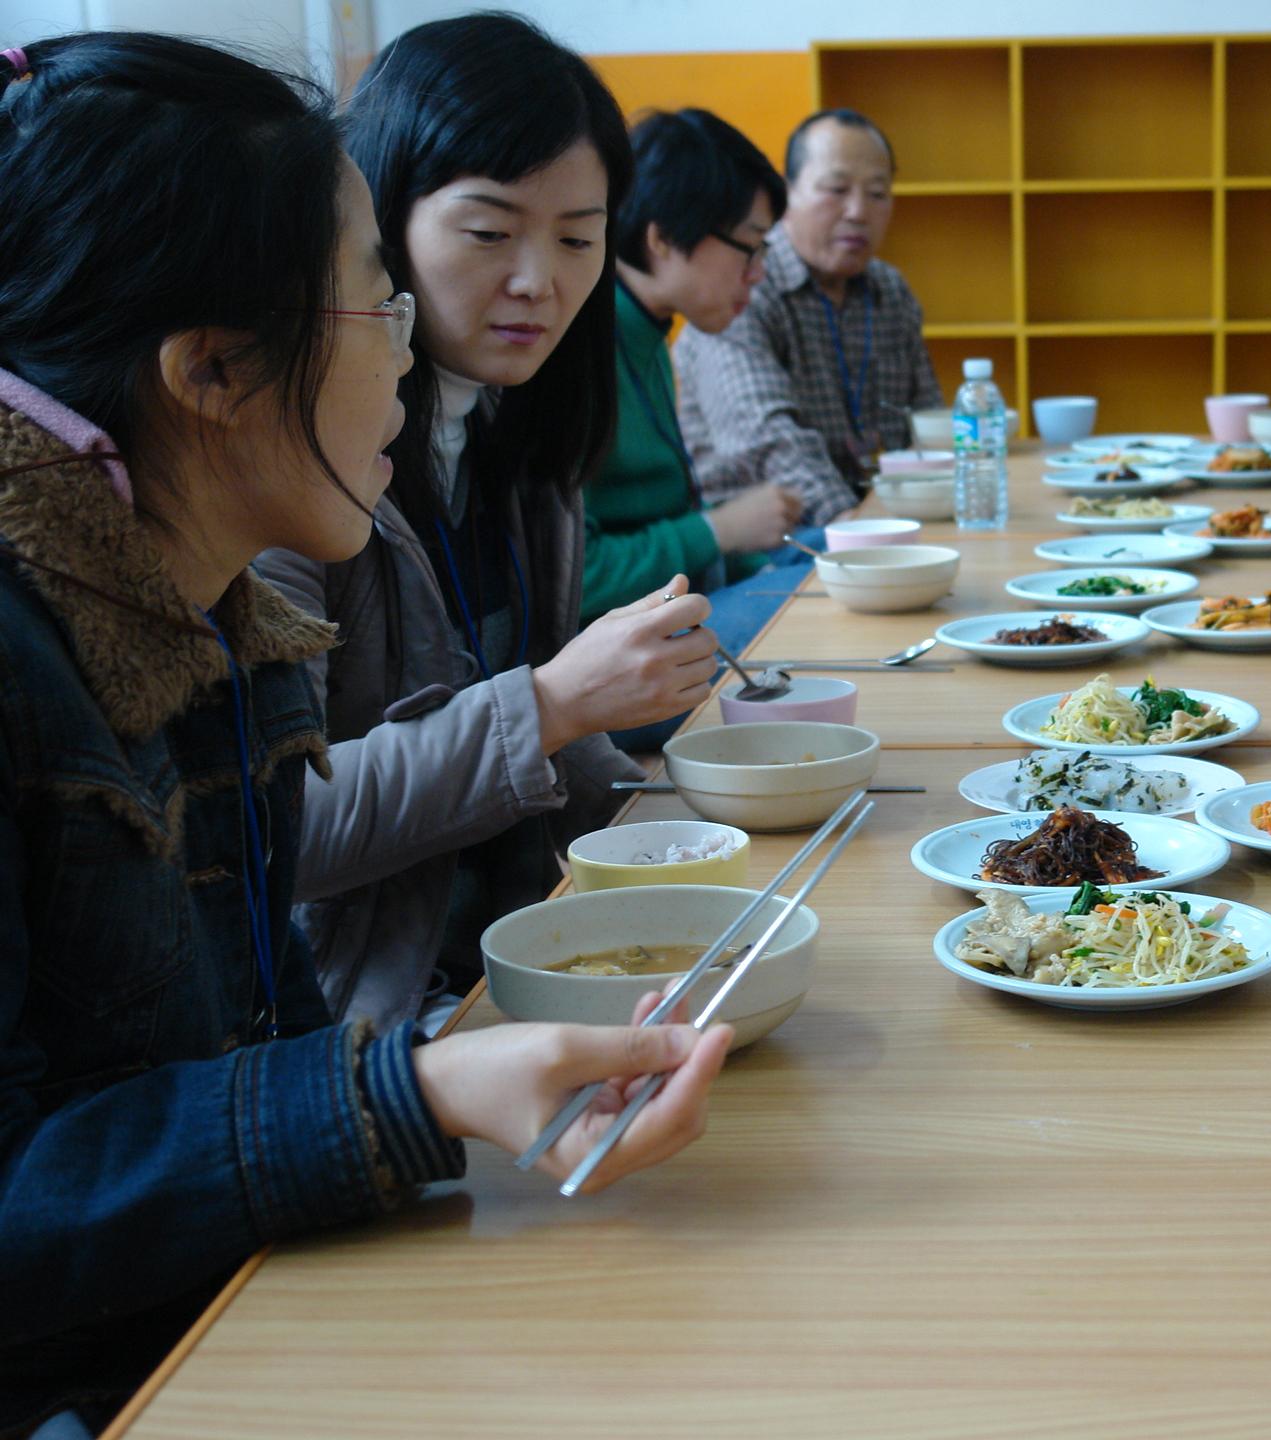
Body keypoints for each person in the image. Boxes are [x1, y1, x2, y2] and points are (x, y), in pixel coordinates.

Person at [0, 35, 729, 1435]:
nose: (407, 354)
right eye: (376, 299)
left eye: (576, 236)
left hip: (240, 1298)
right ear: (214, 369)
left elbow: (260, 1036)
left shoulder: (211, 602)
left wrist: (422, 1092)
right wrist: (414, 1091)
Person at [257, 13, 717, 1027]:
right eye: (488, 232)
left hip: (525, 950)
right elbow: (279, 830)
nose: (537, 281)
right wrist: (553, 702)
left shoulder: (518, 443)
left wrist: (683, 821)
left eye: (577, 240)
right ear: (376, 218)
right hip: (366, 1024)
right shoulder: (288, 468)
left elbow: (541, 718)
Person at [585, 108, 804, 636]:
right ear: (662, 237)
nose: (758, 273)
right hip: (618, 636)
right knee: (828, 601)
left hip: (679, 593)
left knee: (836, 559)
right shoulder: (581, 348)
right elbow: (579, 577)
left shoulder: (647, 329)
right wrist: (718, 529)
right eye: (749, 247)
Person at [674, 107, 942, 527]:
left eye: (877, 193)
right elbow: (767, 437)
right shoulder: (743, 286)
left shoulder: (889, 290)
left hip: (881, 520)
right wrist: (849, 522)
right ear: (786, 196)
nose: (858, 211)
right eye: (836, 189)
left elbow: (927, 421)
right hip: (773, 539)